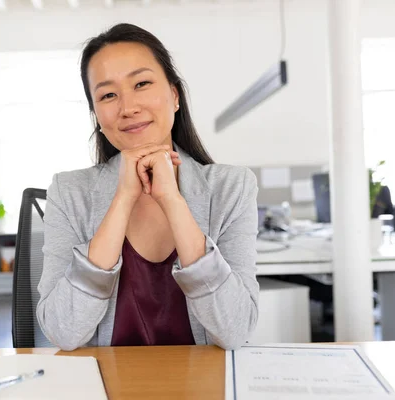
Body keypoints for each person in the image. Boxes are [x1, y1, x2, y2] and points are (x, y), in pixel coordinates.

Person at [37, 23, 259, 351]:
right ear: (96, 114)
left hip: (204, 384)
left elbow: (235, 331)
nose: (128, 108)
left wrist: (172, 200)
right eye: (108, 94)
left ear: (174, 95)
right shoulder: (69, 192)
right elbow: (63, 333)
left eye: (141, 83)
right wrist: (123, 197)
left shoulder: (232, 188)